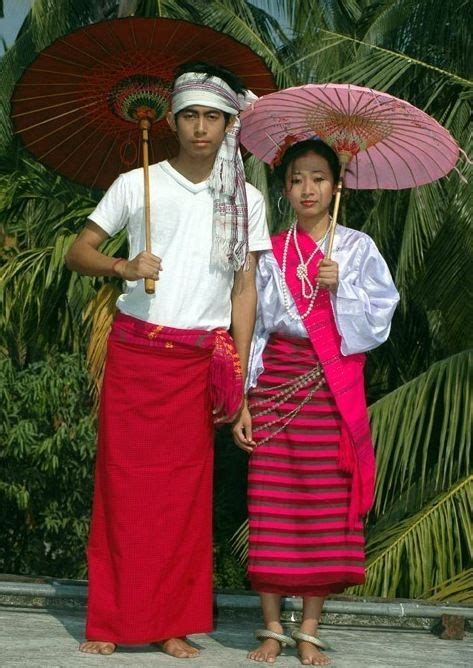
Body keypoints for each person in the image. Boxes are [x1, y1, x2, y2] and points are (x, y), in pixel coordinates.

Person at [65, 61, 271, 659]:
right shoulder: (137, 183)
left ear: (230, 123)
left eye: (213, 116)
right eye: (191, 116)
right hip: (136, 352)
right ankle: (109, 620)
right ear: (174, 121)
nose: (201, 128)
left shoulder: (247, 198)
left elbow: (245, 290)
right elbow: (79, 252)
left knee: (185, 498)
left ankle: (172, 624)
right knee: (121, 490)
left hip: (200, 360)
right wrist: (123, 267)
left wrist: (242, 379)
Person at [233, 139, 399, 665]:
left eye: (319, 178)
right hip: (275, 386)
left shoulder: (356, 247)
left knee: (323, 507)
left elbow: (380, 316)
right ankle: (271, 628)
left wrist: (342, 285)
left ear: (336, 186)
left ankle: (307, 629)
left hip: (330, 389)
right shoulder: (271, 250)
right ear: (284, 189)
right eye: (297, 179)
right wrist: (242, 398)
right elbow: (254, 325)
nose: (308, 188)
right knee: (271, 504)